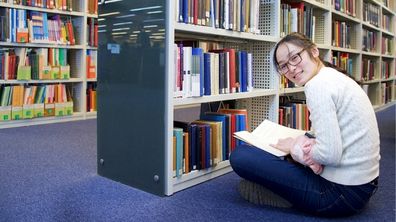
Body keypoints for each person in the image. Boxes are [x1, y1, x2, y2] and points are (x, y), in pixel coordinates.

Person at [229, 32, 380, 217]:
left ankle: (285, 197)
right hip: (364, 186)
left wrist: (295, 147)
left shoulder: (317, 86)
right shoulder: (332, 76)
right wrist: (302, 142)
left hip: (339, 196)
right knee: (291, 146)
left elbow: (329, 154)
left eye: (294, 57)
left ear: (314, 51)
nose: (291, 68)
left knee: (241, 156)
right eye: (283, 66)